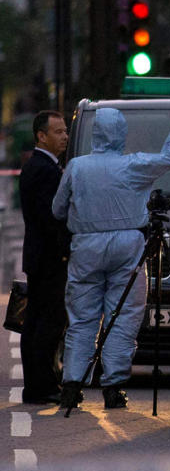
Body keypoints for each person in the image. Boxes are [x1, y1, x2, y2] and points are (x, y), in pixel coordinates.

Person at [52, 92, 170, 410]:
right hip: (127, 245)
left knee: (81, 318)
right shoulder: (134, 166)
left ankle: (73, 383)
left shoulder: (77, 167)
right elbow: (168, 157)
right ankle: (114, 386)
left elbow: (58, 209)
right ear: (120, 134)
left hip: (86, 245)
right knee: (123, 315)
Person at [17, 111, 71, 404]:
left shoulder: (39, 166)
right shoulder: (45, 170)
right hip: (49, 259)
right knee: (47, 323)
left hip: (40, 257)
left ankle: (38, 385)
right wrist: (65, 250)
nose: (65, 137)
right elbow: (51, 219)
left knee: (38, 321)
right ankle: (42, 386)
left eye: (65, 131)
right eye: (59, 132)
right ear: (41, 136)